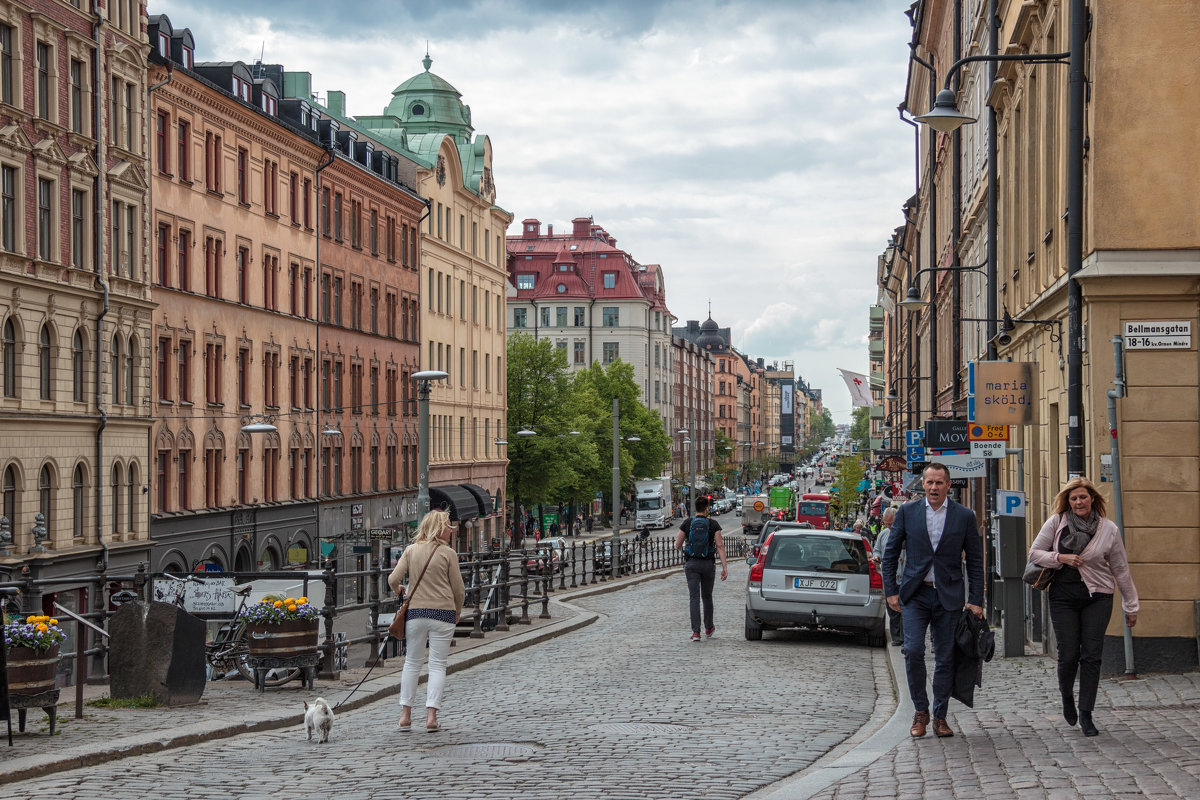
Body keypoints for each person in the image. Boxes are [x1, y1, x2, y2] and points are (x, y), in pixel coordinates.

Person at [1028, 476, 1138, 737]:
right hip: (1063, 596)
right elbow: (1034, 553)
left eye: (1083, 497)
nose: (1079, 502)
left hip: (1098, 596)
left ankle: (1086, 712)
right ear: (1068, 501)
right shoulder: (1057, 522)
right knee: (1068, 655)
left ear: (1092, 499)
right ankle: (1067, 696)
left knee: (1092, 656)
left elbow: (1120, 568)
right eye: (1074, 498)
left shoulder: (1109, 529)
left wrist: (1130, 605)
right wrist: (1060, 557)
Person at [881, 462, 984, 739]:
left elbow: (975, 561)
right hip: (916, 594)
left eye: (940, 482)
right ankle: (920, 711)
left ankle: (939, 716)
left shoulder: (964, 516)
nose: (934, 487)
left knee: (945, 656)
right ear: (922, 484)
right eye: (930, 482)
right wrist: (890, 591)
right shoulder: (908, 512)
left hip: (948, 596)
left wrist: (976, 600)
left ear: (949, 485)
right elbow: (890, 554)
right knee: (913, 650)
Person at [387, 509, 465, 732]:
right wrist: (458, 610)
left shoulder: (411, 550)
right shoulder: (448, 554)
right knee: (438, 665)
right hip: (443, 613)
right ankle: (431, 717)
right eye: (448, 527)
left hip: (416, 613)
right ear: (439, 529)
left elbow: (393, 578)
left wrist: (398, 590)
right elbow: (458, 589)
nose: (451, 531)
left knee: (412, 662)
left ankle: (405, 715)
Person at [674, 494, 728, 641]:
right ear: (706, 509)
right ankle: (709, 627)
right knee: (707, 596)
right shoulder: (713, 524)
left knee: (694, 597)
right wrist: (724, 567)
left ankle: (696, 632)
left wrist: (686, 553)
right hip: (708, 564)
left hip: (691, 564)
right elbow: (720, 545)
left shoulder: (688, 523)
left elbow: (677, 544)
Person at [870, 505, 903, 648]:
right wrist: (877, 556)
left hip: (905, 577)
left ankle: (905, 636)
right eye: (886, 524)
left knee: (905, 608)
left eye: (891, 523)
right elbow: (877, 549)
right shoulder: (883, 535)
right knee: (892, 608)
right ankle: (897, 637)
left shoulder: (905, 533)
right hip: (890, 577)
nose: (889, 526)